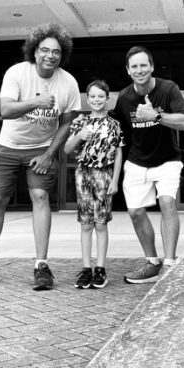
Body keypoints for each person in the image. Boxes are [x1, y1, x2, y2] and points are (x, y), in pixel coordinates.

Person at [0, 23, 81, 290]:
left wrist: (50, 154)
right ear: (34, 51)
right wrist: (35, 102)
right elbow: (5, 110)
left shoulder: (68, 82)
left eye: (57, 52)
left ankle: (42, 267)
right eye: (45, 50)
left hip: (41, 147)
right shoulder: (17, 73)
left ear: (62, 55)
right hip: (9, 146)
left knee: (39, 197)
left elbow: (66, 123)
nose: (50, 56)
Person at [113, 46, 184, 283]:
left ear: (152, 67)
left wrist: (156, 116)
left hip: (168, 160)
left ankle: (169, 264)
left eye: (143, 65)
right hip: (137, 161)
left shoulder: (168, 89)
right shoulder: (125, 97)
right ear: (128, 70)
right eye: (134, 66)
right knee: (135, 212)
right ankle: (152, 263)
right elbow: (118, 130)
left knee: (167, 202)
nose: (140, 70)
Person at [64, 80, 124, 290]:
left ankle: (100, 269)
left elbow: (118, 153)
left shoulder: (114, 125)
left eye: (101, 96)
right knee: (86, 223)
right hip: (84, 174)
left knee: (101, 223)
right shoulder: (80, 122)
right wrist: (79, 136)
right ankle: (86, 268)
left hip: (104, 174)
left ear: (107, 99)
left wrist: (115, 179)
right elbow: (66, 149)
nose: (97, 100)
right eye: (93, 97)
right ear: (87, 99)